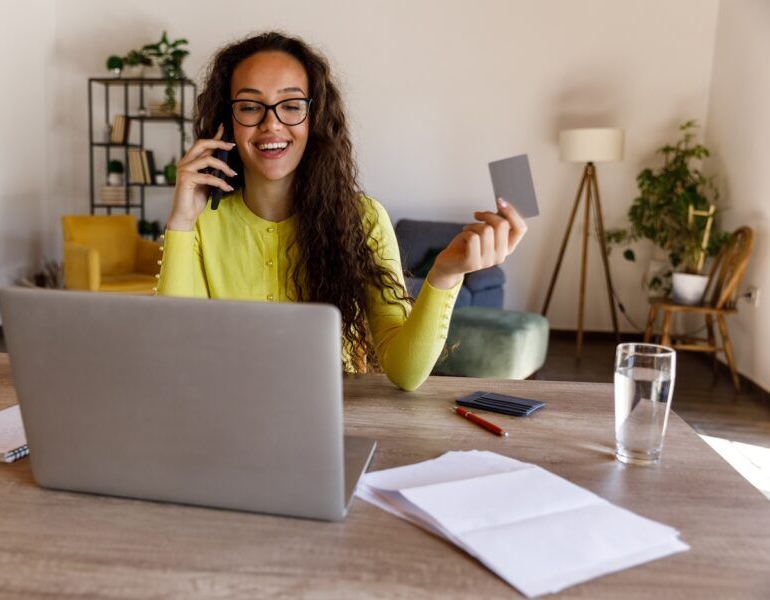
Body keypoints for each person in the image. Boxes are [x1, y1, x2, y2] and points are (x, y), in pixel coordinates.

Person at [154, 31, 526, 391]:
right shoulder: (200, 220)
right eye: (250, 106)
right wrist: (181, 223)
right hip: (226, 415)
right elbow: (174, 352)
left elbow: (405, 372)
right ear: (227, 122)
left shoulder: (362, 218)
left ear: (315, 118)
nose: (272, 123)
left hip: (334, 420)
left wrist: (445, 274)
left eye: (291, 105)